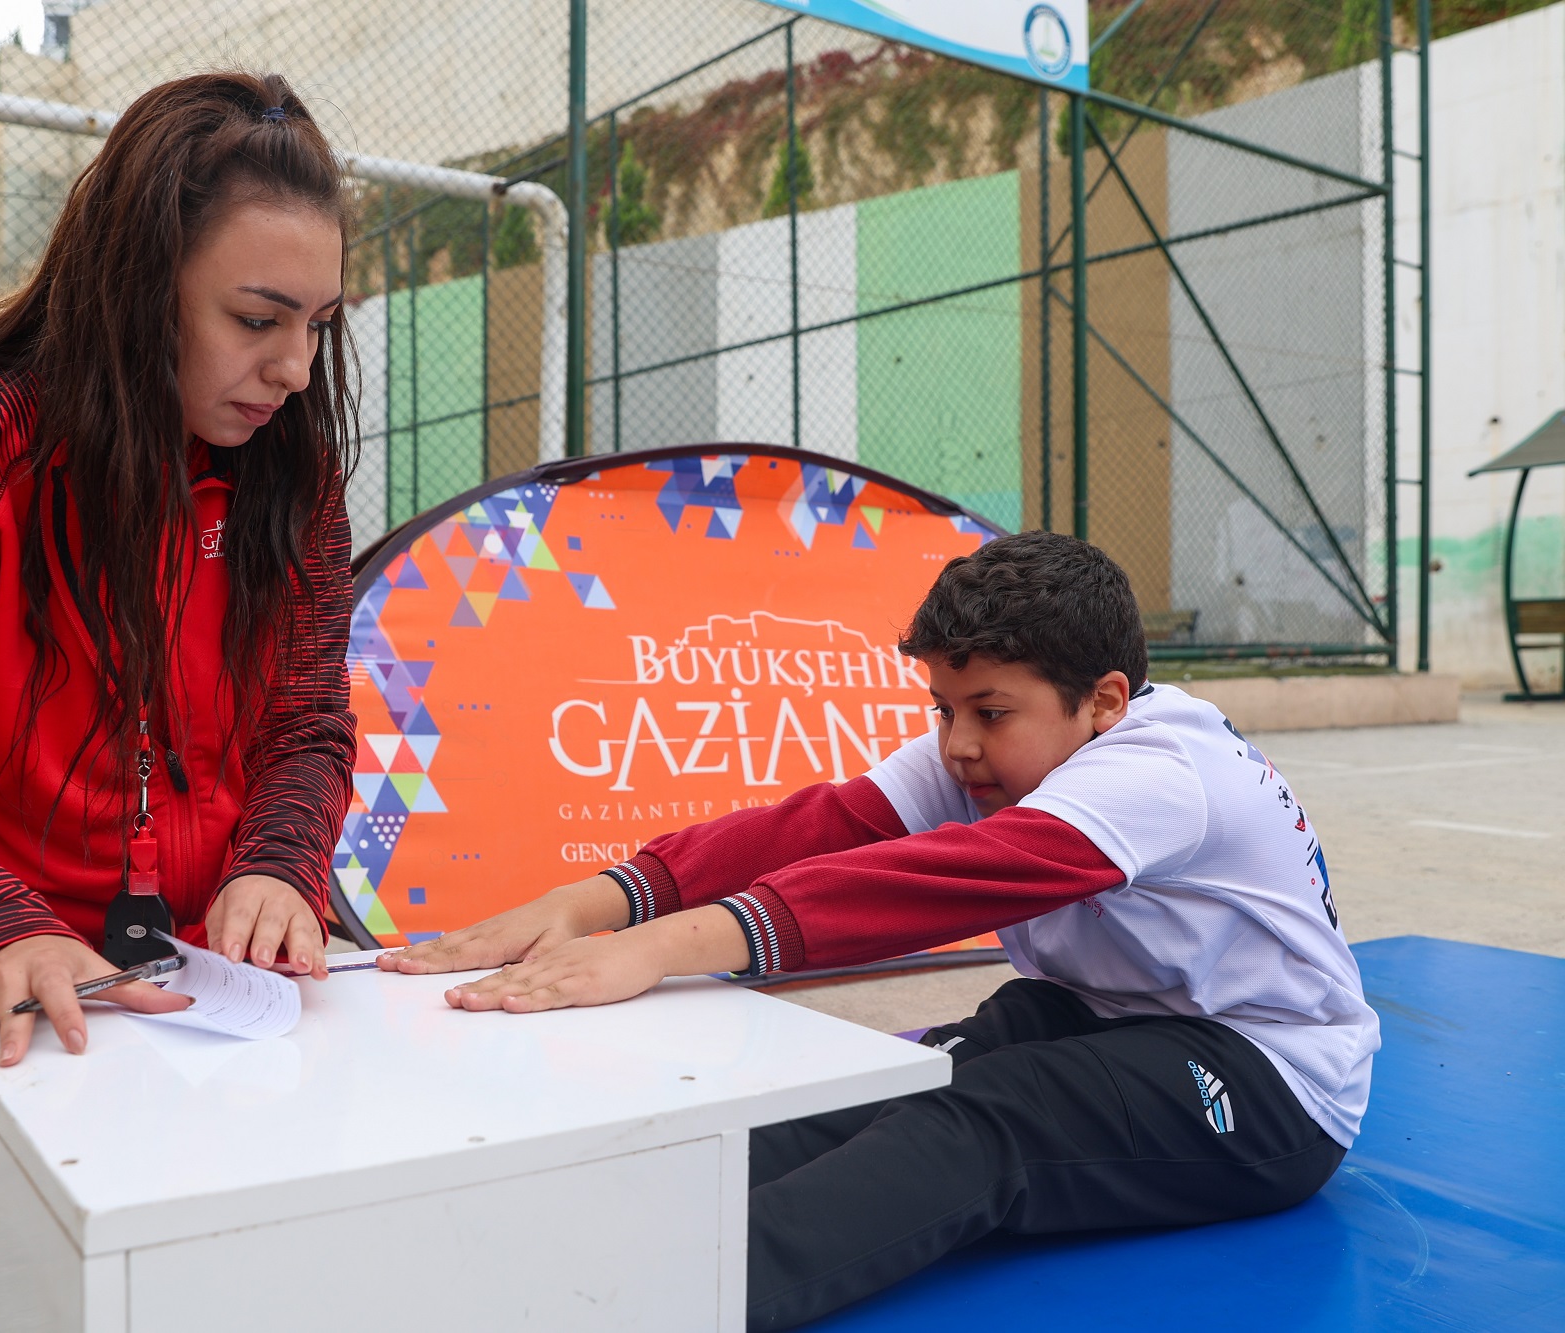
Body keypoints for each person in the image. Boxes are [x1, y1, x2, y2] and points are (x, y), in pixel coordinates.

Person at [384, 531, 1378, 1330]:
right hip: (1100, 1014)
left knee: (987, 1121)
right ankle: (577, 1211)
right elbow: (826, 825)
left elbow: (938, 881)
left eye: (987, 712)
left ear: (1104, 702)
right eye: (943, 708)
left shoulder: (1161, 773)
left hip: (1264, 1084)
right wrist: (603, 898)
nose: (955, 745)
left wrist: (656, 947)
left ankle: (648, 1299)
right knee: (903, 1082)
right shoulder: (999, 737)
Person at [0, 73, 358, 1333]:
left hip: (203, 976)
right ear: (138, 282)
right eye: (257, 316)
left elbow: (308, 724)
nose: (296, 370)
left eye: (318, 321)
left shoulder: (289, 476)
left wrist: (279, 866)